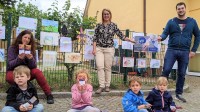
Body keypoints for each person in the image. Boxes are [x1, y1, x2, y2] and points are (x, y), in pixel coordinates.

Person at [158, 2, 200, 102]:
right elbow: (165, 33)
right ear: (176, 10)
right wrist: (161, 37)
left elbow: (198, 36)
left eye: (182, 8)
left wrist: (193, 50)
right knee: (166, 70)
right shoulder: (171, 21)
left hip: (185, 51)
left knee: (181, 73)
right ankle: (161, 93)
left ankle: (178, 94)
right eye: (178, 9)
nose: (180, 10)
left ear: (185, 9)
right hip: (172, 49)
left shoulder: (192, 22)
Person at [93, 8, 135, 94]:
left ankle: (107, 85)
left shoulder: (113, 25)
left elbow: (121, 35)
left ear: (110, 15)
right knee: (100, 67)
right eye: (104, 14)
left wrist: (130, 40)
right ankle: (101, 86)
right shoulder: (98, 25)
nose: (106, 15)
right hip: (99, 48)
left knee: (108, 68)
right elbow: (94, 38)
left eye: (107, 14)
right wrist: (94, 49)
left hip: (109, 49)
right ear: (102, 15)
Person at [6, 30, 54, 104]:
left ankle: (49, 94)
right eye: (25, 37)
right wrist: (19, 59)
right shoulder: (12, 48)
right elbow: (10, 64)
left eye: (29, 38)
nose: (27, 39)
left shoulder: (31, 49)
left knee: (37, 72)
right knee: (9, 77)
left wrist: (30, 59)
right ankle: (18, 93)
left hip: (27, 71)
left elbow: (33, 66)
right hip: (15, 71)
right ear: (20, 37)